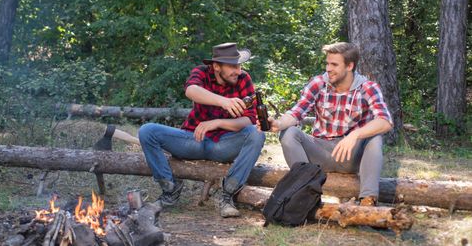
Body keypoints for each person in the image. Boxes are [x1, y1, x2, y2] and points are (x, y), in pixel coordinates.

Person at [139, 42, 266, 217]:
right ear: (216, 66)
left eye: (239, 65)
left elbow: (250, 119)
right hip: (193, 140)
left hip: (224, 145)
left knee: (257, 132)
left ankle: (228, 195)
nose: (238, 71)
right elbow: (191, 90)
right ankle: (170, 190)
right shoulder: (201, 72)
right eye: (232, 66)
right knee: (147, 131)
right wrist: (223, 101)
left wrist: (217, 122)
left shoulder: (243, 79)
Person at [265, 42, 392, 206]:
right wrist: (278, 124)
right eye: (327, 63)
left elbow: (385, 121)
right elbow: (297, 112)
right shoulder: (318, 83)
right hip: (321, 153)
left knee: (375, 138)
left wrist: (355, 135)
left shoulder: (367, 87)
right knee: (289, 133)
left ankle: (368, 200)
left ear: (349, 66)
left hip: (351, 155)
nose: (328, 68)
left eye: (334, 64)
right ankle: (304, 193)